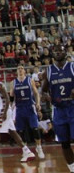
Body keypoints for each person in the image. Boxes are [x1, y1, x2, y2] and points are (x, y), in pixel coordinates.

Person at [0, 70, 36, 163]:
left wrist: (4, 112)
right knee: (13, 133)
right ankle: (27, 152)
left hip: (3, 111)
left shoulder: (0, 86)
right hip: (0, 110)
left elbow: (7, 98)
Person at [40, 44, 74, 172]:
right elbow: (44, 90)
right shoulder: (48, 71)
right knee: (64, 143)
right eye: (56, 51)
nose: (58, 52)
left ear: (66, 52)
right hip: (58, 111)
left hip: (72, 107)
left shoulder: (72, 67)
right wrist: (45, 97)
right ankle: (72, 168)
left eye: (60, 50)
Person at [12, 65, 45, 159]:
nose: (20, 70)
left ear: (25, 71)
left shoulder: (30, 80)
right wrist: (11, 110)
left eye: (22, 68)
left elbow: (36, 93)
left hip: (30, 106)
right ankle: (25, 150)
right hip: (19, 108)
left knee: (35, 128)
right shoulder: (13, 82)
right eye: (18, 68)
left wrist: (38, 103)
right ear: (16, 71)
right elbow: (11, 97)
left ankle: (39, 148)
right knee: (21, 131)